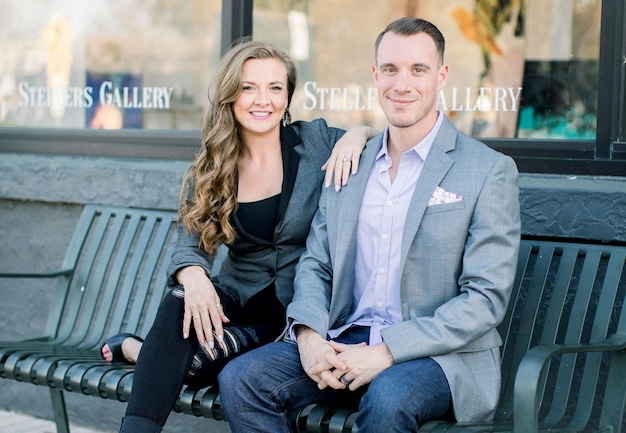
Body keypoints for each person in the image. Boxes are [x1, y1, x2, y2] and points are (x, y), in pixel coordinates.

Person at [218, 17, 521, 433]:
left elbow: (485, 299)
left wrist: (386, 352)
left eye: (418, 69)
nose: (402, 84)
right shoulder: (350, 164)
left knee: (389, 397)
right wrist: (306, 336)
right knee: (242, 381)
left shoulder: (487, 170)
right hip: (344, 338)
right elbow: (316, 263)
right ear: (375, 75)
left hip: (437, 356)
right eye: (391, 69)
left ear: (441, 76)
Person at [105, 39, 378, 433]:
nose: (261, 100)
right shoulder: (215, 162)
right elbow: (189, 243)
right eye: (249, 87)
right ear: (230, 95)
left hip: (294, 309)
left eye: (275, 88)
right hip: (236, 298)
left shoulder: (315, 141)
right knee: (181, 301)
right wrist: (195, 277)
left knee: (193, 365)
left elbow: (382, 134)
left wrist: (356, 134)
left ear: (287, 96)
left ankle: (133, 348)